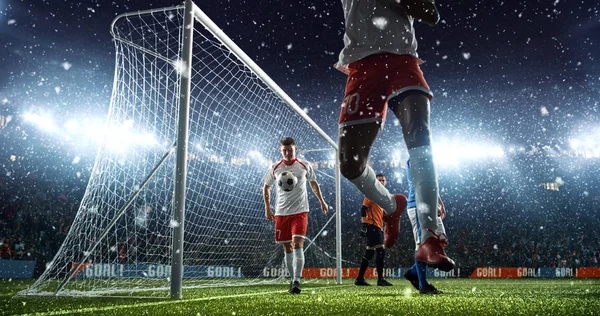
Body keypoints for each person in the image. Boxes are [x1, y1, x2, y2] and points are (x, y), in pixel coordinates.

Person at [335, 0, 454, 271]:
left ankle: (430, 237)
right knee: (350, 164)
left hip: (403, 60)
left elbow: (431, 14)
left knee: (420, 133)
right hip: (362, 64)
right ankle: (391, 206)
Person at [262, 137, 329, 294]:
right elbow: (266, 187)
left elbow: (313, 182)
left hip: (300, 211)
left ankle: (297, 281)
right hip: (281, 213)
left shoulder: (304, 165)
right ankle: (293, 280)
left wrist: (322, 201)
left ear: (295, 149)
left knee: (298, 244)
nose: (287, 152)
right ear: (281, 151)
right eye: (284, 150)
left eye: (290, 150)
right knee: (287, 247)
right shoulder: (275, 167)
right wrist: (267, 208)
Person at [404, 159, 447, 294]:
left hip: (428, 204)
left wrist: (439, 203)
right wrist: (430, 204)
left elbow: (431, 184)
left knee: (440, 241)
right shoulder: (415, 157)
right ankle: (423, 285)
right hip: (418, 205)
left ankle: (413, 272)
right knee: (422, 245)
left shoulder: (428, 157)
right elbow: (420, 184)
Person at [355, 173, 396, 287]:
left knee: (369, 252)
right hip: (372, 226)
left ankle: (359, 278)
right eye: (379, 180)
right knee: (380, 251)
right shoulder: (371, 193)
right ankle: (380, 279)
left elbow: (379, 213)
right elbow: (363, 209)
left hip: (377, 226)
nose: (381, 182)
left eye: (383, 180)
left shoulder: (381, 196)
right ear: (375, 181)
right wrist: (364, 225)